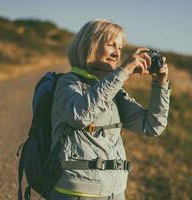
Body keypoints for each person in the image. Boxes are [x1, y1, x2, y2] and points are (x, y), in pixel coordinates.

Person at [50, 19, 171, 200]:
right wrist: (123, 72)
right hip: (77, 191)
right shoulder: (69, 82)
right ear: (90, 44)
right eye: (111, 45)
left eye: (120, 48)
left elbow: (152, 126)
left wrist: (160, 84)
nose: (117, 53)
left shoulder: (114, 92)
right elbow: (80, 115)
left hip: (115, 192)